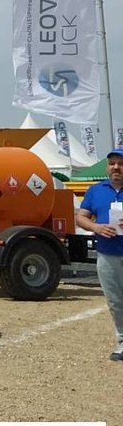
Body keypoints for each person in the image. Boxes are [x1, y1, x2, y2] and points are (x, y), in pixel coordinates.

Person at [76, 148, 123, 362]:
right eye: (112, 163)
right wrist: (96, 227)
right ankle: (122, 342)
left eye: (120, 163)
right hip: (107, 254)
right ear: (107, 167)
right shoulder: (95, 190)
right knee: (115, 300)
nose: (116, 167)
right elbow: (81, 217)